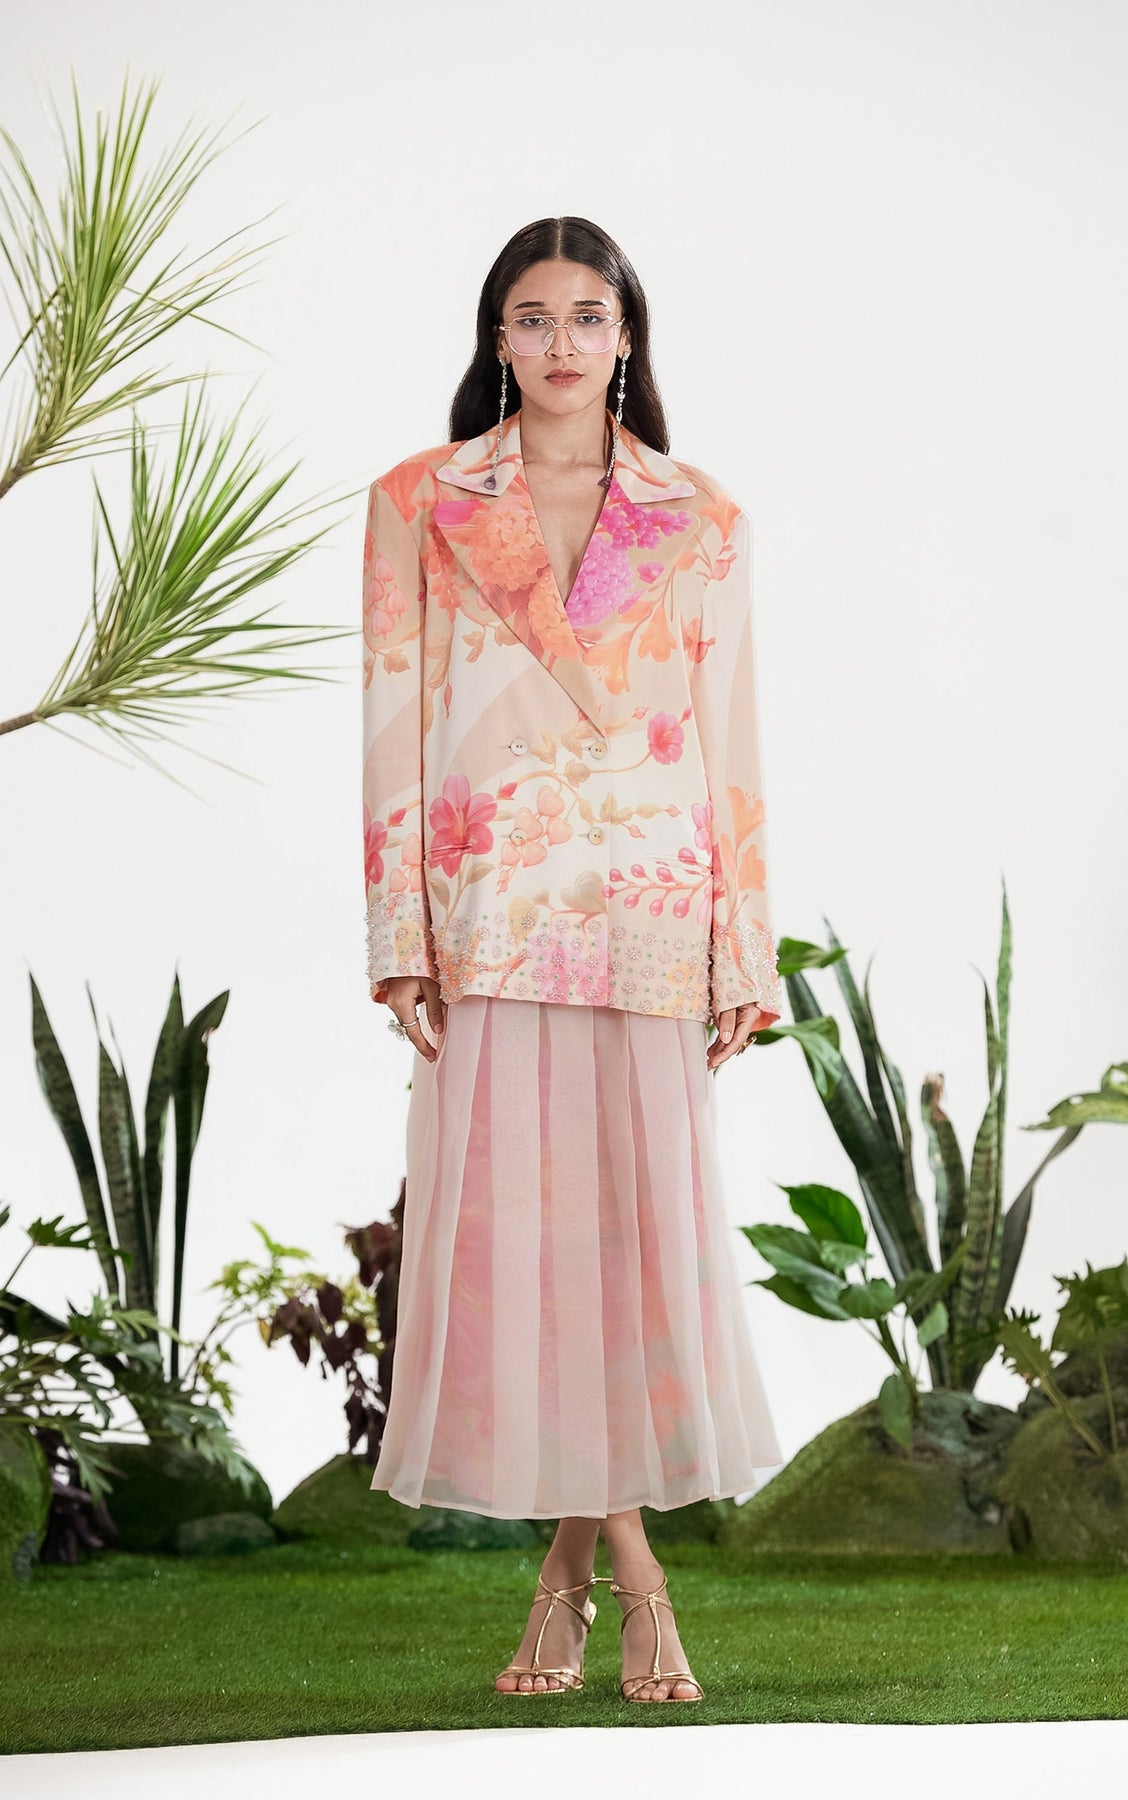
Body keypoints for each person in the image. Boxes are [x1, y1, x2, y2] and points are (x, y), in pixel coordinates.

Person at [362, 215, 786, 1703]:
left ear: (626, 336)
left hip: (652, 907)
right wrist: (398, 934)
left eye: (587, 316)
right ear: (498, 337)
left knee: (625, 1244)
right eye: (533, 317)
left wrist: (745, 949)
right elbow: (394, 716)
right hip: (494, 906)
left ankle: (568, 1579)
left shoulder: (700, 515)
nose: (560, 343)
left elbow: (731, 739)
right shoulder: (420, 503)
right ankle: (638, 1580)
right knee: (522, 1247)